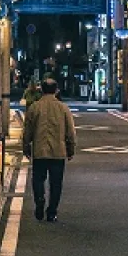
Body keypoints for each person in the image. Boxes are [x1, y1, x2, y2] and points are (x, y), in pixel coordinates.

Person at [23, 79, 77, 222]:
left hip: (39, 151)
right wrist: (71, 149)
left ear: (42, 90)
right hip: (58, 152)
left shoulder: (34, 107)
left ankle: (39, 201)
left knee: (38, 179)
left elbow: (27, 129)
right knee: (56, 183)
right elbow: (70, 131)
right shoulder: (63, 108)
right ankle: (52, 212)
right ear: (56, 90)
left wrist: (26, 146)